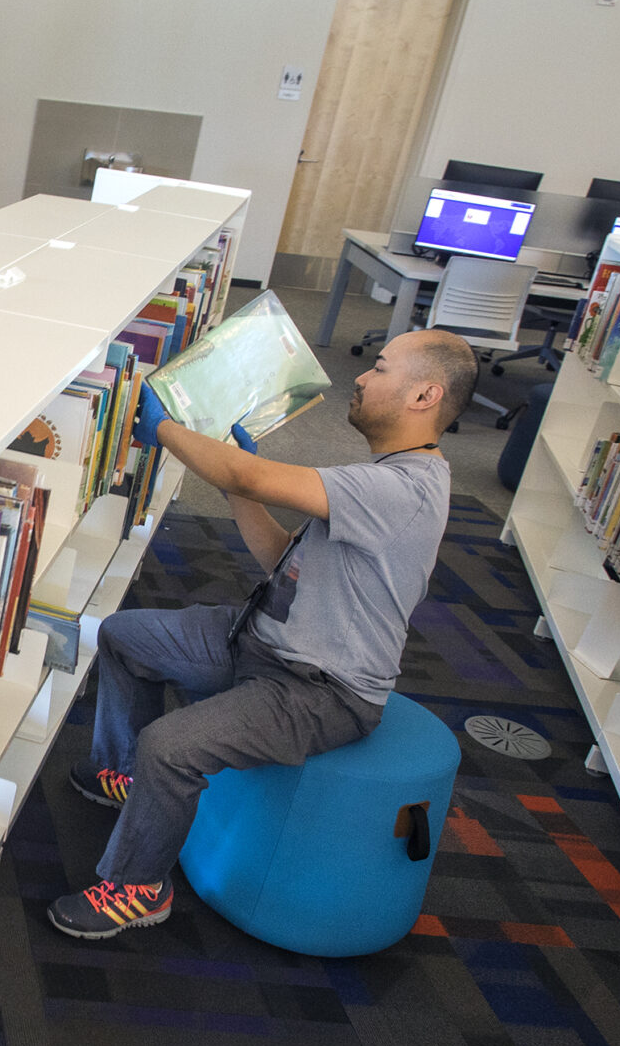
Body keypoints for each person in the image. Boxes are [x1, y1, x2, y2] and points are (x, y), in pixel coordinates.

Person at [48, 327, 479, 940]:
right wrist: (233, 483)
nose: (360, 375)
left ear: (423, 396)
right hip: (262, 639)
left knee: (171, 745)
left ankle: (138, 887)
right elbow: (282, 557)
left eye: (380, 368)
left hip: (322, 690)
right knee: (124, 635)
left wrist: (167, 429)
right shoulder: (382, 475)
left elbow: (254, 476)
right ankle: (135, 784)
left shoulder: (401, 488)